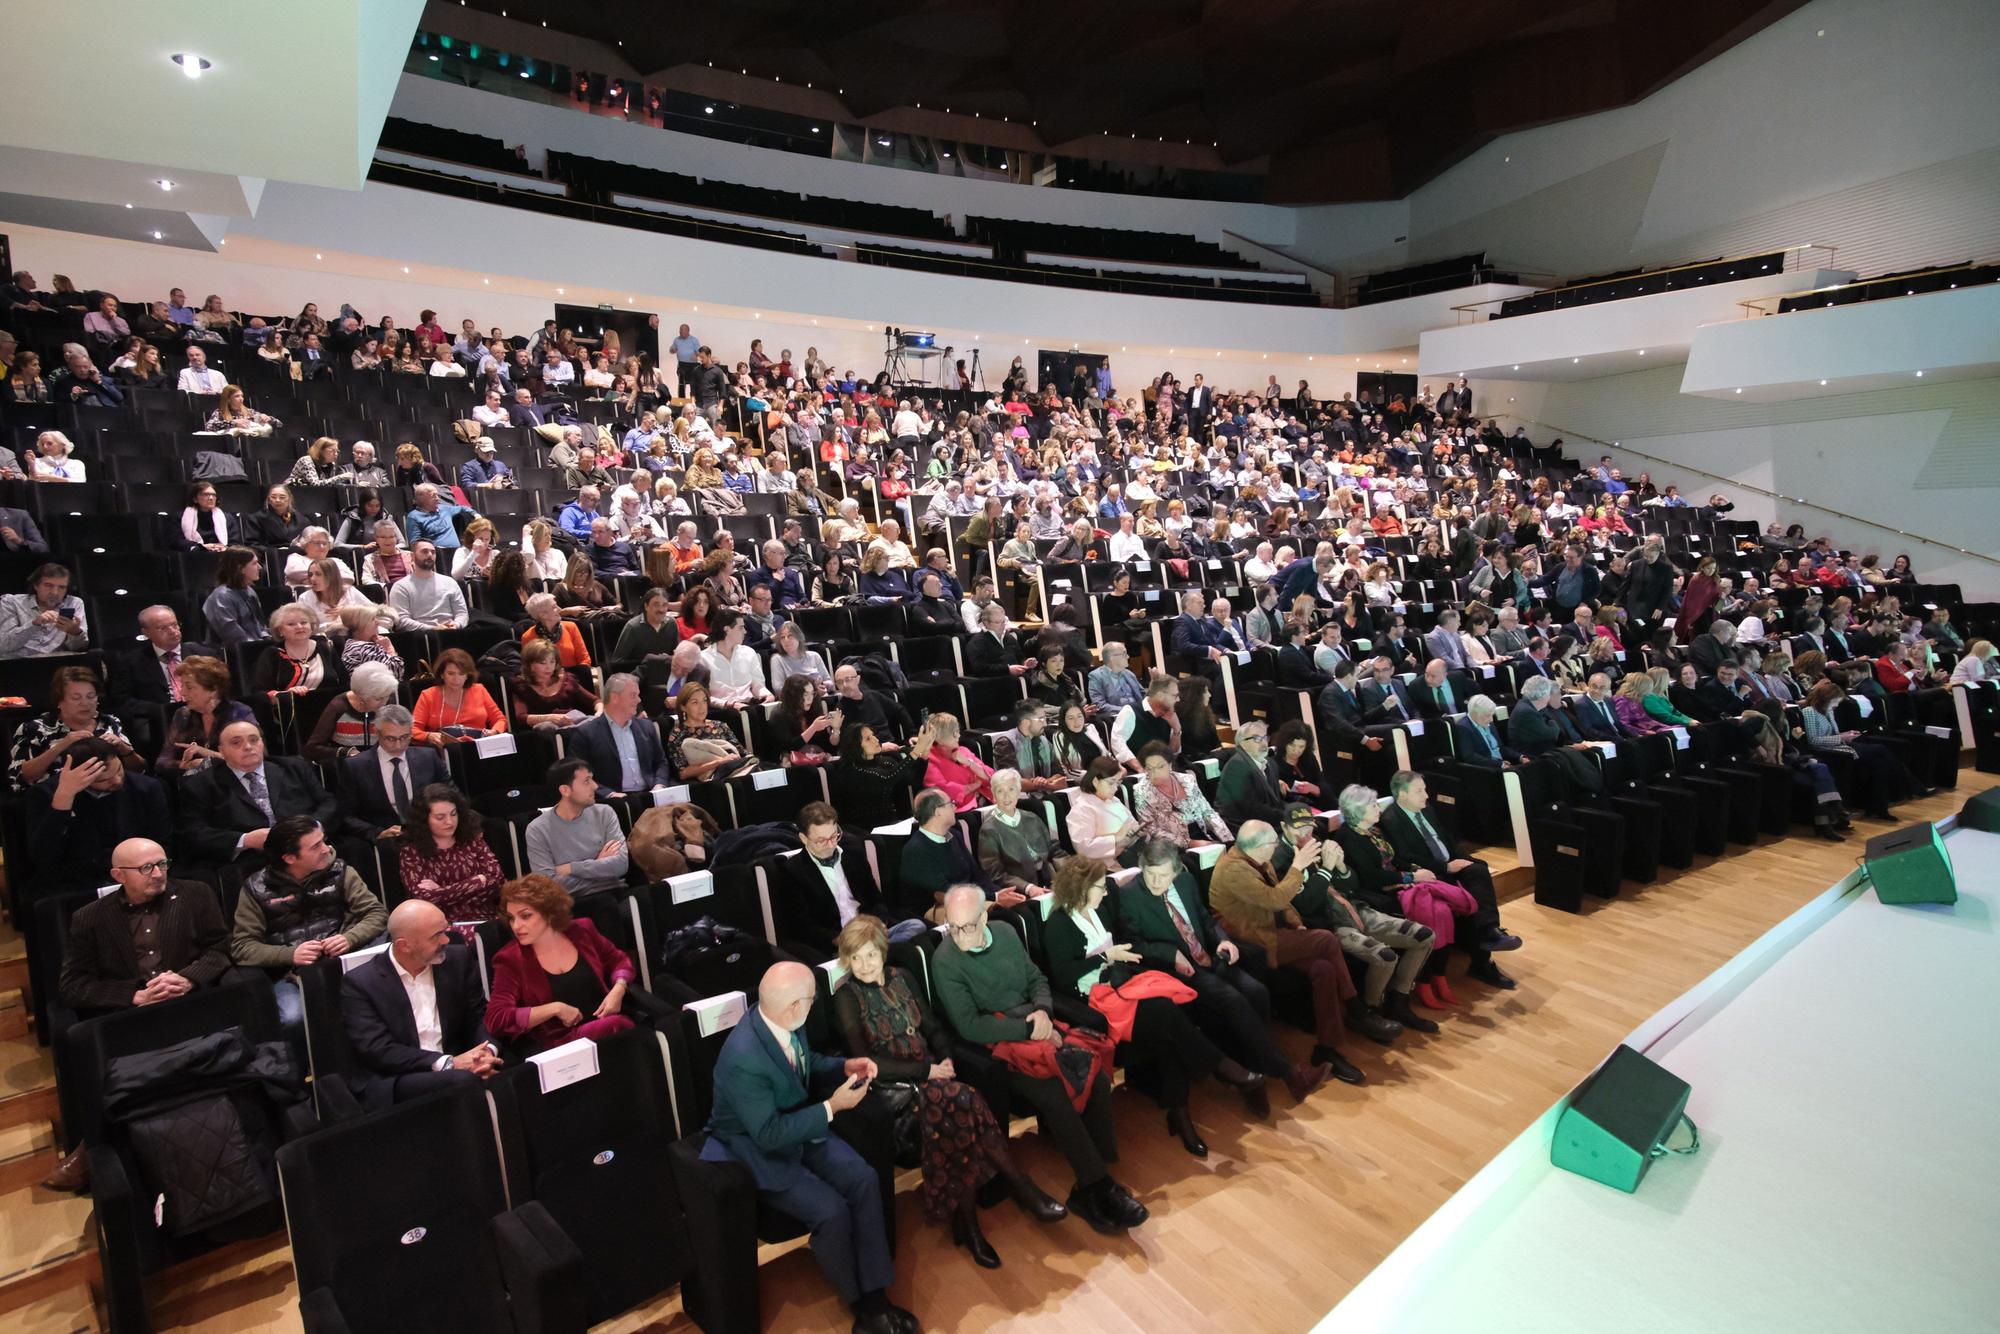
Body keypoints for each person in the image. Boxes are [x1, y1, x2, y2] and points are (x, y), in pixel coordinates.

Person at [700, 961, 917, 1334]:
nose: (815, 1005)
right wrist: (833, 1107)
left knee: (863, 1179)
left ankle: (876, 1295)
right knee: (830, 1212)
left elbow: (804, 1062)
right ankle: (861, 1309)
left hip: (797, 1124)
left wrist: (844, 1065)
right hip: (756, 1147)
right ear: (793, 1008)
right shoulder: (744, 1059)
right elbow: (767, 1133)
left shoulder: (780, 1019)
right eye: (812, 1000)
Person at [832, 915, 1061, 1268]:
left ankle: (968, 1223)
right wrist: (930, 1071)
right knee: (963, 1099)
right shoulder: (846, 996)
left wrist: (948, 1060)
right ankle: (1020, 1187)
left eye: (871, 955)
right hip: (895, 1091)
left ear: (882, 952)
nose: (864, 965)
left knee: (955, 1114)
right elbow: (865, 1061)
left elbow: (934, 1027)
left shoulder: (902, 978)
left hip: (936, 1082)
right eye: (856, 958)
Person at [930, 886, 1148, 1236]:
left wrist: (1044, 1013)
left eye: (967, 926)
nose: (959, 936)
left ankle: (1094, 1184)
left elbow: (1036, 979)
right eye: (952, 928)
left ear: (985, 917)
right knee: (1054, 1091)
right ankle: (1100, 1187)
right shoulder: (946, 960)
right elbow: (969, 1025)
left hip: (1038, 1023)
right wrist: (1030, 1030)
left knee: (1095, 1076)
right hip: (1000, 1043)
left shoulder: (1003, 932)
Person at [1121, 839, 1331, 1099]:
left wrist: (1223, 940)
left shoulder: (1185, 883)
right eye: (1150, 875)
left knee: (1257, 992)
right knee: (1232, 999)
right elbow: (1133, 944)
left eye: (1162, 876)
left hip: (1210, 958)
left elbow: (1206, 919)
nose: (1155, 882)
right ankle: (1289, 1074)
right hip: (1179, 972)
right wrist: (1170, 953)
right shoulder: (1130, 896)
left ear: (1175, 872)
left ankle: (1255, 1070)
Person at [1208, 821, 1375, 1083]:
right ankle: (1356, 1007)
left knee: (1324, 968)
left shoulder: (1258, 859)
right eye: (1273, 842)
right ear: (1259, 847)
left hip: (1275, 933)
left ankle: (1328, 1048)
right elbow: (1273, 898)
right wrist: (1298, 866)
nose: (1277, 845)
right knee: (1326, 939)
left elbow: (1282, 902)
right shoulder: (1233, 869)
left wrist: (1297, 923)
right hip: (1253, 943)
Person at [228, 815, 387, 1031]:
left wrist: (349, 938)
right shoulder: (255, 888)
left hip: (344, 961)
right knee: (294, 1018)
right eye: (315, 846)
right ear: (290, 858)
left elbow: (376, 913)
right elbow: (242, 947)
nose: (326, 848)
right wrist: (290, 954)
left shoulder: (341, 870)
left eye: (323, 840)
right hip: (290, 973)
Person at [340, 899, 503, 1108]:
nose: (446, 940)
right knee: (463, 1081)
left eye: (445, 930)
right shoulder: (361, 983)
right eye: (437, 935)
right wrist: (449, 1063)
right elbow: (379, 1050)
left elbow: (479, 1015)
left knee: (514, 1066)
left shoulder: (457, 960)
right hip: (399, 1074)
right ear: (404, 945)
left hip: (461, 1059)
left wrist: (485, 1053)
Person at [1373, 772, 1521, 987]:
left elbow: (1447, 839)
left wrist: (1461, 858)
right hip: (1431, 872)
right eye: (1419, 791)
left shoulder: (1427, 809)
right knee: (1474, 893)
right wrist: (1445, 867)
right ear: (1402, 794)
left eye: (1424, 789)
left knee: (1478, 869)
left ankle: (1489, 932)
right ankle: (1483, 955)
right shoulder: (1391, 820)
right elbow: (1404, 857)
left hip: (1450, 863)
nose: (1426, 795)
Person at [1293, 826, 1438, 1033]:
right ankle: (1370, 1012)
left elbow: (1352, 886)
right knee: (1385, 956)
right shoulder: (1285, 860)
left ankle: (1399, 1002)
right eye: (1300, 829)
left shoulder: (1318, 845)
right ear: (1285, 828)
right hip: (1332, 924)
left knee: (1424, 936)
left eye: (1310, 828)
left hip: (1358, 910)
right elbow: (1306, 905)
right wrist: (1325, 869)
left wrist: (1341, 867)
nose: (1307, 834)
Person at [484, 875, 636, 1055]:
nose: (516, 926)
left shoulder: (582, 930)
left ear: (549, 913)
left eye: (525, 916)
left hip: (609, 1029)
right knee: (622, 1028)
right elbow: (496, 1019)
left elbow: (619, 961)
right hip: (561, 1046)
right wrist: (553, 1009)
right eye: (511, 918)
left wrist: (619, 988)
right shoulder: (510, 959)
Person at [23, 736, 169, 897]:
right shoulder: (45, 794)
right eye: (104, 779)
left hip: (137, 874)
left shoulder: (146, 788)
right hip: (76, 882)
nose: (117, 780)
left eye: (119, 770)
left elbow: (162, 840)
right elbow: (43, 856)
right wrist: (64, 798)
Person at [178, 720, 337, 867]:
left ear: (262, 743)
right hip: (249, 860)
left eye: (254, 740)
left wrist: (312, 830)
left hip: (308, 850)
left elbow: (328, 803)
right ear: (222, 751)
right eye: (236, 742)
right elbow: (194, 834)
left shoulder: (294, 767)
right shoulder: (201, 784)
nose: (248, 746)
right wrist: (245, 840)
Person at [767, 802, 891, 958]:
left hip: (869, 930)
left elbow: (876, 899)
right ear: (803, 838)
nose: (830, 844)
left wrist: (879, 922)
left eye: (834, 836)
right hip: (837, 941)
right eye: (821, 840)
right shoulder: (792, 872)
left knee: (914, 926)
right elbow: (803, 927)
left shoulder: (853, 855)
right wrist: (839, 939)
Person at [336, 706, 445, 846]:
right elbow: (345, 815)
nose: (398, 745)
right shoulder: (355, 766)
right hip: (387, 840)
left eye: (404, 737)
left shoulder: (428, 757)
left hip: (429, 832)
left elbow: (451, 796)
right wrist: (377, 832)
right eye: (390, 738)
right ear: (377, 732)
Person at [524, 759, 630, 895]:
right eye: (586, 781)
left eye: (592, 779)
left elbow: (620, 864)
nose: (595, 786)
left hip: (614, 893)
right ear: (565, 790)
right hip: (568, 904)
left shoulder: (605, 813)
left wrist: (571, 868)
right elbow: (547, 885)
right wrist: (599, 865)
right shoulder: (537, 829)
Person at [564, 672, 670, 795]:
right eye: (633, 695)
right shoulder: (585, 733)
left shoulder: (646, 727)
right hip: (612, 801)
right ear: (615, 698)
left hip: (650, 793)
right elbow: (578, 774)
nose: (639, 700)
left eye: (638, 695)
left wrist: (659, 785)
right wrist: (608, 794)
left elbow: (661, 762)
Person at [1132, 742, 1231, 847]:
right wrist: (1190, 843)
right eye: (1149, 768)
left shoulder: (1187, 780)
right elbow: (1151, 831)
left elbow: (1207, 812)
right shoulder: (1141, 791)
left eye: (1160, 766)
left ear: (1170, 765)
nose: (1155, 772)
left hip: (1202, 834)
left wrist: (1227, 840)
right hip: (1171, 846)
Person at [411, 648, 507, 746]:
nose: (456, 679)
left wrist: (494, 731)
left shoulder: (479, 690)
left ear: (467, 675)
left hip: (478, 747)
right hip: (444, 750)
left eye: (461, 674)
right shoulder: (428, 695)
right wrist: (428, 736)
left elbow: (500, 719)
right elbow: (412, 730)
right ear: (442, 674)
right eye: (451, 673)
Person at [1065, 756, 1142, 870]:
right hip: (1106, 866)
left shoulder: (1114, 800)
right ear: (1095, 781)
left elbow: (1132, 824)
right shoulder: (1082, 809)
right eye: (1111, 783)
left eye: (1117, 783)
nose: (1115, 788)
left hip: (1132, 852)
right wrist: (1115, 838)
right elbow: (1083, 848)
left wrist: (1138, 830)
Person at [0, 562, 89, 658]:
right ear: (36, 585)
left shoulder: (74, 603)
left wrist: (75, 632)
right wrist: (34, 624)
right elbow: (4, 646)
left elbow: (78, 648)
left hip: (57, 663)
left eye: (61, 587)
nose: (55, 592)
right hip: (18, 662)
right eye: (48, 585)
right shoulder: (11, 602)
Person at [1216, 721, 1287, 830]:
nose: (1264, 743)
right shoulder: (1237, 767)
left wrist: (1295, 811)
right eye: (1257, 739)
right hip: (1241, 827)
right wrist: (1286, 816)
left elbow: (1275, 802)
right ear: (1242, 744)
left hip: (1266, 821)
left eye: (1265, 738)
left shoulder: (1270, 764)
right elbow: (1252, 809)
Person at [386, 541, 470, 630]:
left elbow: (462, 613)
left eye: (433, 552)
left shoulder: (450, 582)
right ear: (412, 555)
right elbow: (401, 621)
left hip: (452, 633)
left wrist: (456, 625)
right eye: (424, 551)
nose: (430, 555)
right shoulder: (401, 586)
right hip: (421, 637)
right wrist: (432, 628)